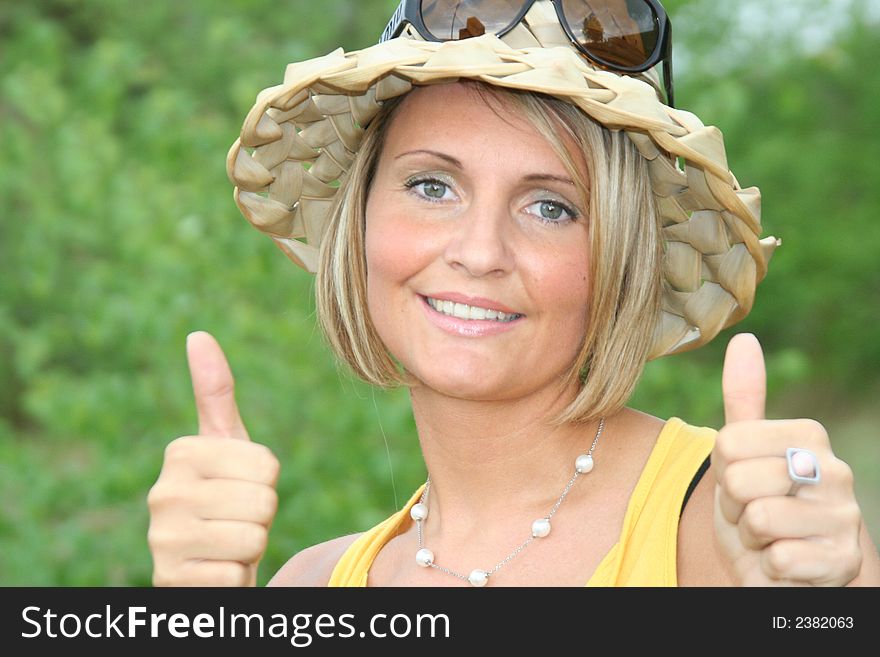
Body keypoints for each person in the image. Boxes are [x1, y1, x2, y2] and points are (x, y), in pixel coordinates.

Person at [148, 0, 880, 587]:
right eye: (432, 185)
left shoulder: (730, 524)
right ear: (360, 219)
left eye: (550, 207)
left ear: (616, 258)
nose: (479, 252)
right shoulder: (310, 585)